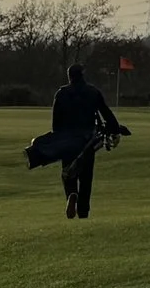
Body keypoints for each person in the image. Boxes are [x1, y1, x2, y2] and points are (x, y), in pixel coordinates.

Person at [49, 63, 131, 219]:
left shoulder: (61, 93)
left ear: (69, 76)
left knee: (68, 173)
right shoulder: (93, 92)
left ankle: (72, 194)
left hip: (67, 139)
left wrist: (57, 140)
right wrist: (116, 129)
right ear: (83, 75)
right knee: (86, 177)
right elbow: (107, 114)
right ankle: (83, 212)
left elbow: (56, 122)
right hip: (88, 139)